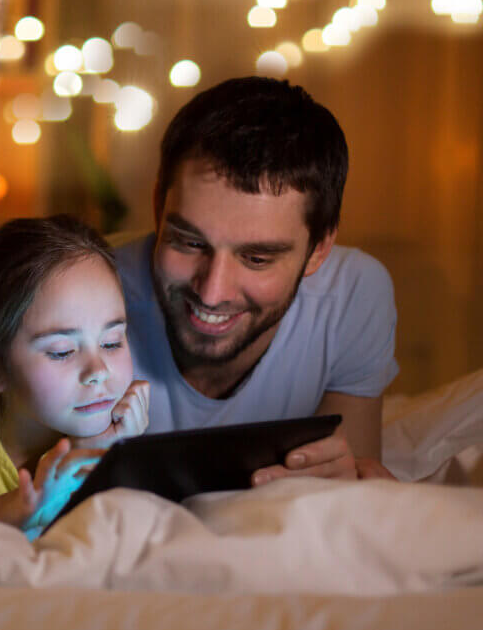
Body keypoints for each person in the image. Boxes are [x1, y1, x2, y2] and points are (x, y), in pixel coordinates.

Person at [113, 76, 399, 484]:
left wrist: (352, 485)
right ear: (159, 207)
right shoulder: (80, 290)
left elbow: (351, 484)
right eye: (190, 242)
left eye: (256, 258)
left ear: (319, 248)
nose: (211, 292)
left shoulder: (353, 295)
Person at [0, 215, 150, 535]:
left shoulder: (119, 425)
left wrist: (112, 454)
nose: (98, 371)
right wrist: (34, 498)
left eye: (112, 342)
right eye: (62, 351)